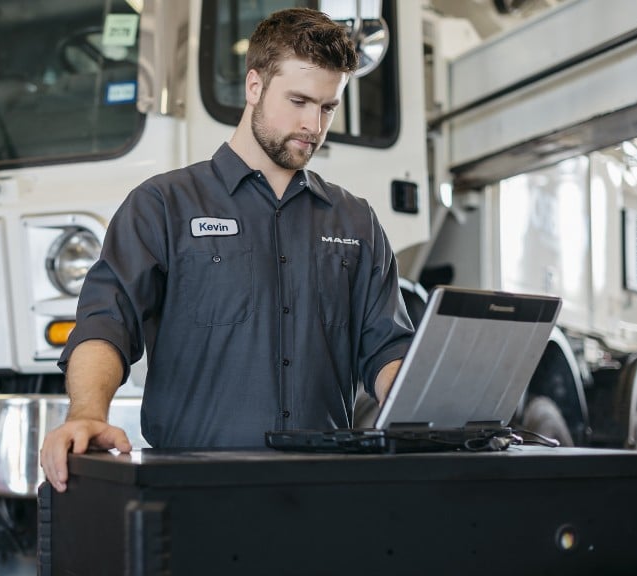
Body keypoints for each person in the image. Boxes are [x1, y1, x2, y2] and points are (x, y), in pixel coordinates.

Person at [41, 7, 414, 492]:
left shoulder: (355, 220)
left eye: (327, 107)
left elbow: (386, 348)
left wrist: (424, 411)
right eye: (298, 101)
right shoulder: (163, 204)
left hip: (323, 491)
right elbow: (107, 323)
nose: (312, 125)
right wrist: (87, 414)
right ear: (254, 87)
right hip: (191, 492)